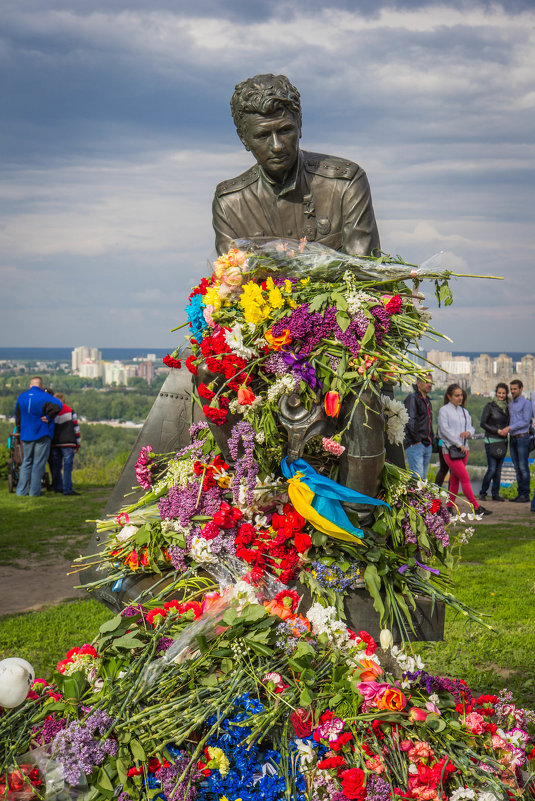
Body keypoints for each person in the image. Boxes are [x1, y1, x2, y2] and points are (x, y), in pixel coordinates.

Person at [213, 74, 380, 257]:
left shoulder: (346, 182)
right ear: (244, 138)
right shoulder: (230, 203)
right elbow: (231, 276)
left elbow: (363, 269)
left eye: (285, 130)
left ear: (299, 125)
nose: (277, 146)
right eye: (263, 135)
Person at [437, 383, 491, 516]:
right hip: (450, 449)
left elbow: (471, 427)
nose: (460, 398)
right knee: (465, 478)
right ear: (449, 396)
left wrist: (468, 432)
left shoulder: (464, 411)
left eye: (461, 395)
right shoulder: (444, 411)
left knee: (455, 480)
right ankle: (476, 507)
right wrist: (457, 443)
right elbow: (444, 431)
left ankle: (449, 506)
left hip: (464, 449)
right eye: (456, 395)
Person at [14, 376, 62, 497]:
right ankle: (34, 492)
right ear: (41, 386)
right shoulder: (45, 396)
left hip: (26, 434)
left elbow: (17, 416)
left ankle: (21, 491)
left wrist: (20, 429)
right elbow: (58, 405)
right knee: (38, 463)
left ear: (30, 385)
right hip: (41, 433)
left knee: (26, 462)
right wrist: (49, 417)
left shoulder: (21, 397)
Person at [500, 379, 532, 503]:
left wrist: (509, 428)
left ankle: (525, 494)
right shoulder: (511, 405)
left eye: (515, 389)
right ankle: (520, 494)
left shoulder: (526, 403)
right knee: (517, 467)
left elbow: (525, 421)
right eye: (511, 389)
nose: (512, 391)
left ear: (521, 389)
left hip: (523, 438)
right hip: (512, 439)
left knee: (523, 467)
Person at [479, 383, 510, 502]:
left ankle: (495, 493)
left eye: (503, 393)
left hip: (503, 441)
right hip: (491, 440)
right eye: (499, 393)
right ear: (496, 393)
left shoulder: (508, 408)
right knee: (492, 468)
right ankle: (483, 492)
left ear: (506, 394)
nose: (501, 395)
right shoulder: (490, 406)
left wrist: (506, 429)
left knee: (498, 469)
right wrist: (497, 430)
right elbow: (483, 423)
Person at [403, 374, 434, 479]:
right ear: (418, 382)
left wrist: (431, 441)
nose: (429, 384)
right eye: (426, 381)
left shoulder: (427, 401)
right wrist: (417, 440)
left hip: (426, 444)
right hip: (415, 444)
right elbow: (409, 420)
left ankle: (420, 496)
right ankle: (415, 496)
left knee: (423, 479)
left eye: (430, 382)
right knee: (417, 478)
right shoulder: (413, 398)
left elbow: (429, 423)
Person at [51, 392, 81, 496]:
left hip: (55, 442)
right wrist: (78, 444)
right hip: (68, 442)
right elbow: (76, 428)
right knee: (67, 467)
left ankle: (57, 487)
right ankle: (67, 489)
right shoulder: (70, 411)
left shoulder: (52, 412)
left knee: (56, 466)